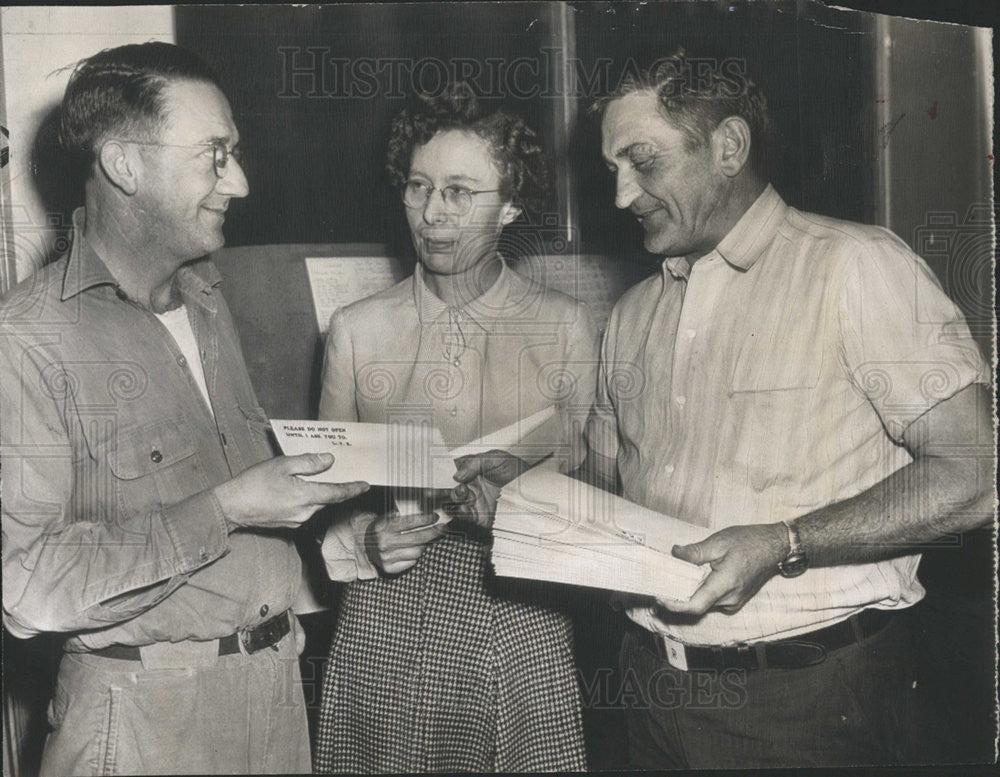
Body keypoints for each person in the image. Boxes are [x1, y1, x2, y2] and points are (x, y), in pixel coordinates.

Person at [575, 52, 993, 768]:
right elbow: (605, 485)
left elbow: (976, 474)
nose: (620, 195)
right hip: (643, 694)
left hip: (807, 702)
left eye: (642, 161)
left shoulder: (856, 267)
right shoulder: (631, 313)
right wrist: (518, 489)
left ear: (729, 147)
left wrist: (785, 542)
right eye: (612, 167)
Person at [0, 43, 369, 776]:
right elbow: (27, 587)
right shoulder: (26, 339)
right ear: (125, 165)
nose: (240, 180)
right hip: (141, 720)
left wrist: (344, 542)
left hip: (271, 693)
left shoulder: (205, 296)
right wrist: (228, 505)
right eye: (215, 154)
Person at [313, 83, 598, 773]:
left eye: (461, 192)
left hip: (521, 608)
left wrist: (523, 509)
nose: (434, 214)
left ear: (511, 203)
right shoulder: (356, 330)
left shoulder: (562, 324)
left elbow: (598, 488)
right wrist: (363, 541)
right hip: (385, 612)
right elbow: (318, 495)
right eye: (418, 186)